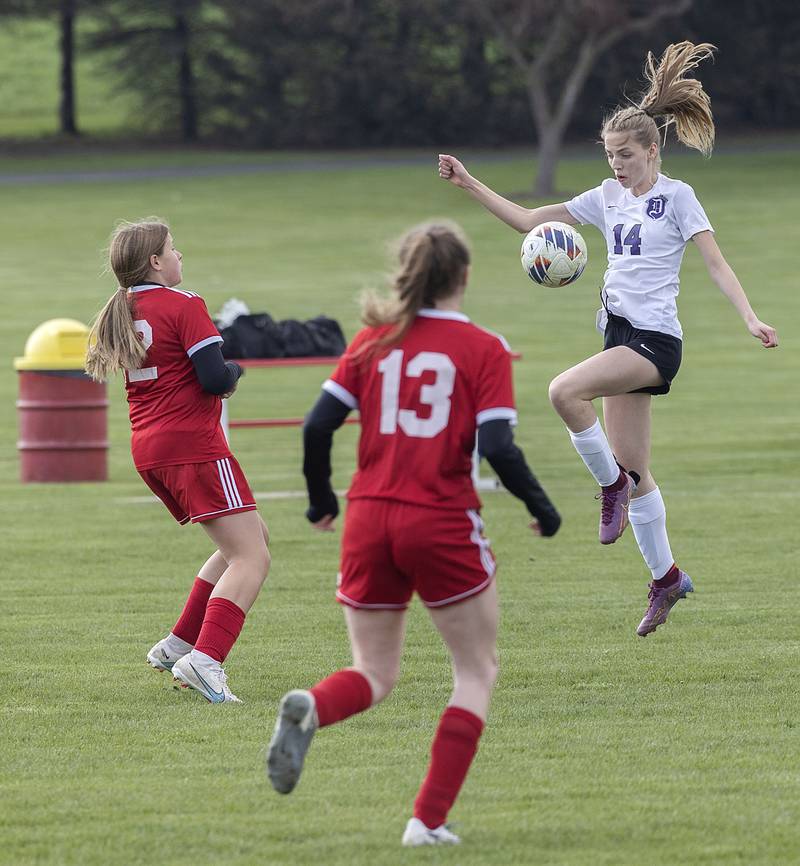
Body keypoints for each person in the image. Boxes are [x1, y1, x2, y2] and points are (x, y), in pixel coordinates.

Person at [438, 41, 778, 637]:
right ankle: (666, 577)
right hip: (618, 335)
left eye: (625, 154)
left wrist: (748, 317)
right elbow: (528, 221)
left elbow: (717, 264)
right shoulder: (605, 196)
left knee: (564, 392)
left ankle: (609, 487)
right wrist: (469, 183)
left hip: (654, 343)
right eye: (610, 155)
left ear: (652, 149)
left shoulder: (677, 198)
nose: (617, 164)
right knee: (638, 471)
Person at [265, 221, 560, 846]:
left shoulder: (374, 339)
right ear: (464, 276)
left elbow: (317, 427)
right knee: (475, 671)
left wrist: (322, 500)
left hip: (369, 518)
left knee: (373, 672)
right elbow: (500, 446)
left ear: (407, 272)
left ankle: (314, 707)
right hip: (441, 518)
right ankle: (426, 822)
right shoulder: (483, 348)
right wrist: (541, 505)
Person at [86, 218, 271, 702]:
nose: (180, 255)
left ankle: (178, 644)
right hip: (193, 445)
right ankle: (206, 661)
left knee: (247, 542)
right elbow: (213, 378)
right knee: (252, 557)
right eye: (173, 248)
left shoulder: (120, 308)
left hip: (149, 448)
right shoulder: (184, 304)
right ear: (154, 262)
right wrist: (236, 369)